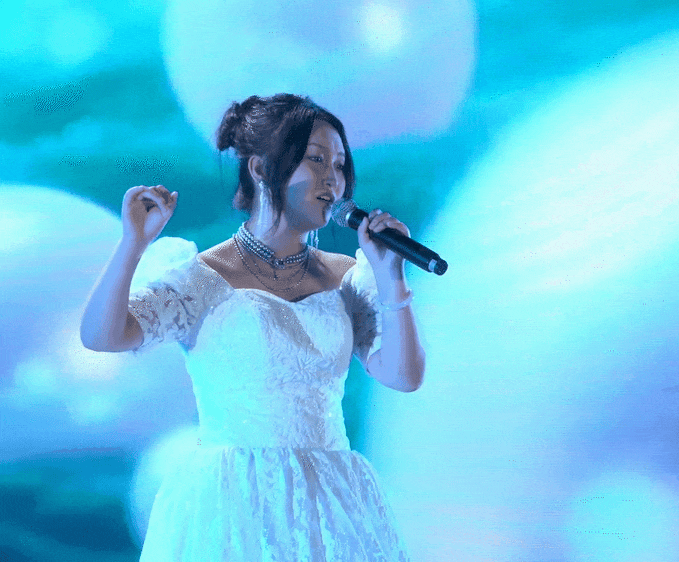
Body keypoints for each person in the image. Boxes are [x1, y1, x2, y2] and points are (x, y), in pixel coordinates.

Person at [80, 93, 424, 561]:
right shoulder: (202, 278)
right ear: (261, 169)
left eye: (340, 165)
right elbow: (103, 336)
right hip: (232, 504)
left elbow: (404, 376)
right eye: (316, 159)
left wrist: (391, 277)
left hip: (332, 504)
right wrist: (132, 244)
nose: (333, 178)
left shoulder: (347, 277)